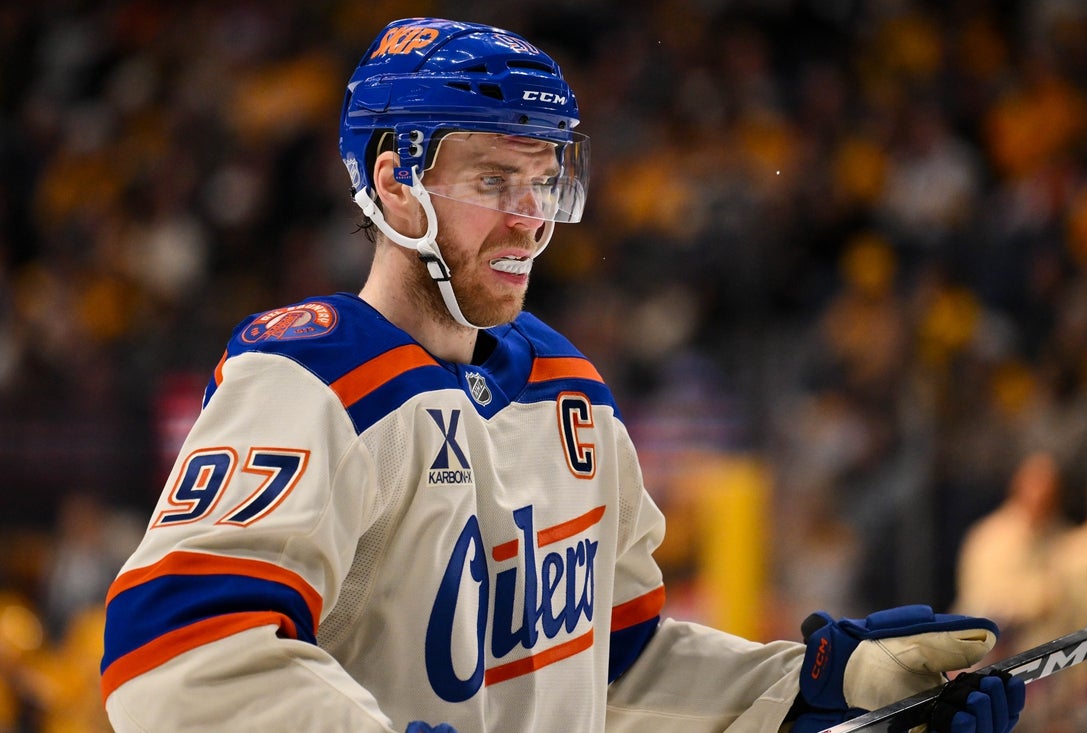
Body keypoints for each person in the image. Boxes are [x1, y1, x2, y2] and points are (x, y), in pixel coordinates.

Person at [100, 17, 1025, 733]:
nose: (530, 219)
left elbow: (614, 665)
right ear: (395, 185)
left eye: (543, 181)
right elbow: (175, 658)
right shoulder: (310, 378)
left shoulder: (568, 389)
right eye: (493, 181)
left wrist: (809, 690)